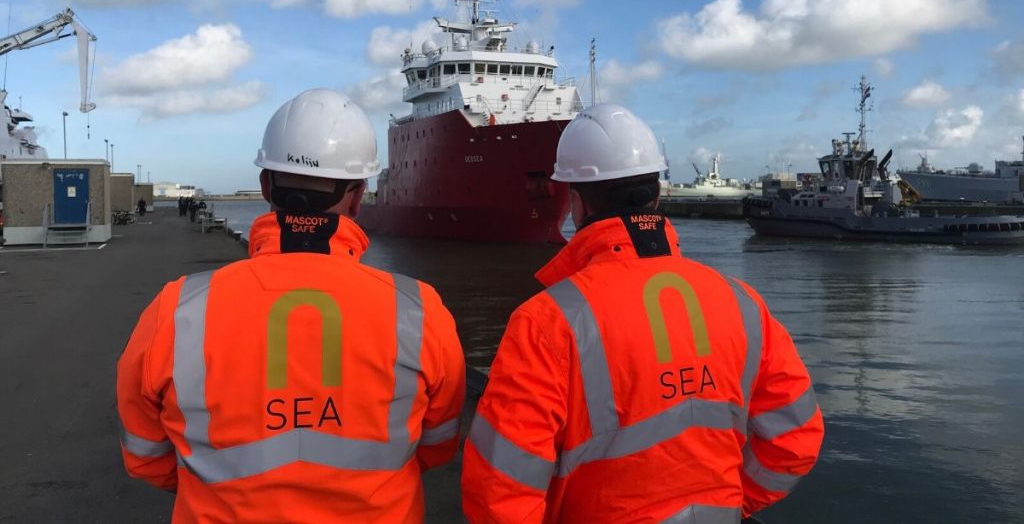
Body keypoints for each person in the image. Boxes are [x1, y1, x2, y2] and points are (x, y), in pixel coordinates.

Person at [461, 104, 823, 523]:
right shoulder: (743, 303)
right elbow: (796, 441)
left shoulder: (547, 321)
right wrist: (736, 502)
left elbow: (499, 490)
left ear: (576, 203)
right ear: (657, 195)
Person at [117, 89, 466, 522]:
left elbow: (146, 457)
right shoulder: (419, 311)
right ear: (358, 195)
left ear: (266, 185)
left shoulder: (178, 308)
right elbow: (436, 448)